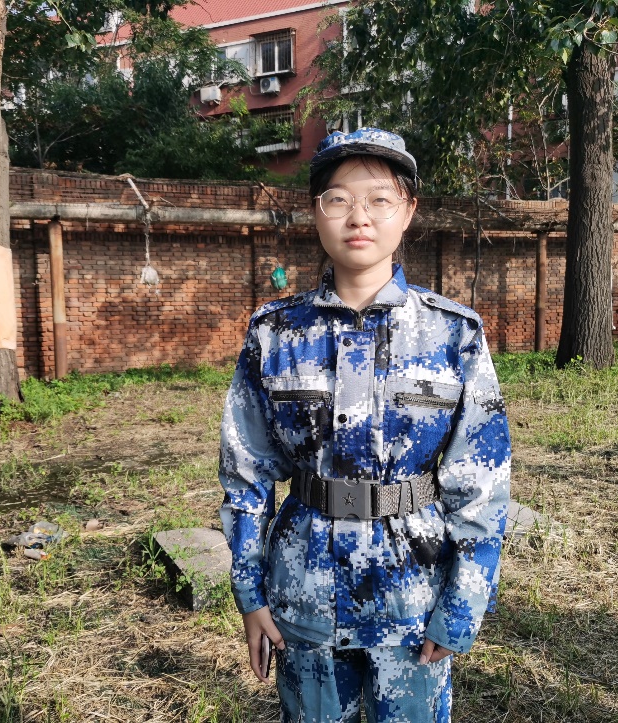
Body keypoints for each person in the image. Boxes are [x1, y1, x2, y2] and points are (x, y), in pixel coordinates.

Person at [218, 127, 511, 723]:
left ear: (408, 212)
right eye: (339, 199)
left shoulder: (453, 333)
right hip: (304, 593)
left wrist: (463, 604)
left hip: (412, 594)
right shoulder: (274, 334)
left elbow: (481, 484)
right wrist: (250, 594)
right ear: (316, 212)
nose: (359, 216)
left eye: (380, 199)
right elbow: (245, 475)